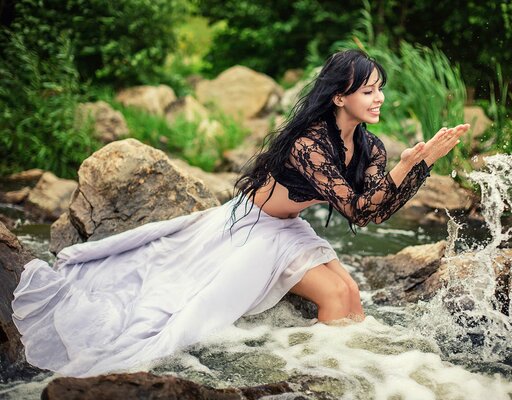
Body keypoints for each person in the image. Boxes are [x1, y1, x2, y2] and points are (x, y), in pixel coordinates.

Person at [11, 49, 468, 377]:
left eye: (380, 89)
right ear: (338, 96)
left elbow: (374, 216)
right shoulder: (312, 142)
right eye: (369, 90)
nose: (379, 98)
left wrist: (415, 164)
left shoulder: (368, 146)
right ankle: (330, 379)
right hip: (252, 229)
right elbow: (355, 207)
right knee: (333, 297)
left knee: (351, 292)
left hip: (289, 226)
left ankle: (366, 374)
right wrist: (411, 164)